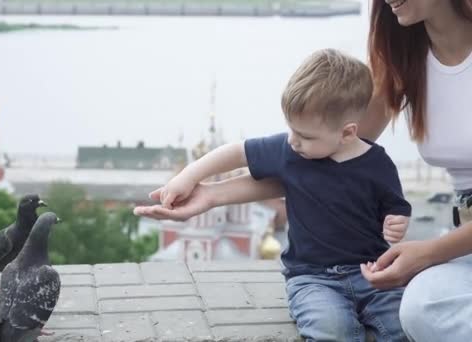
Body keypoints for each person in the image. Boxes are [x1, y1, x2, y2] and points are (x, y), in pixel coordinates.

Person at [135, 1, 472, 340]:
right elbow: (323, 167)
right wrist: (210, 194)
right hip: (454, 240)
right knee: (419, 308)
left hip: (444, 249)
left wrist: (426, 251)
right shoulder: (404, 61)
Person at [144, 48, 412, 341]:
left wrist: (397, 220)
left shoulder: (378, 163)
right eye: (291, 129)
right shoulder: (290, 148)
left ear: (347, 133)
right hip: (314, 279)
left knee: (402, 326)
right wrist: (188, 176)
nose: (294, 141)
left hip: (373, 272)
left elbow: (394, 205)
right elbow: (237, 151)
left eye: (306, 136)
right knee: (331, 329)